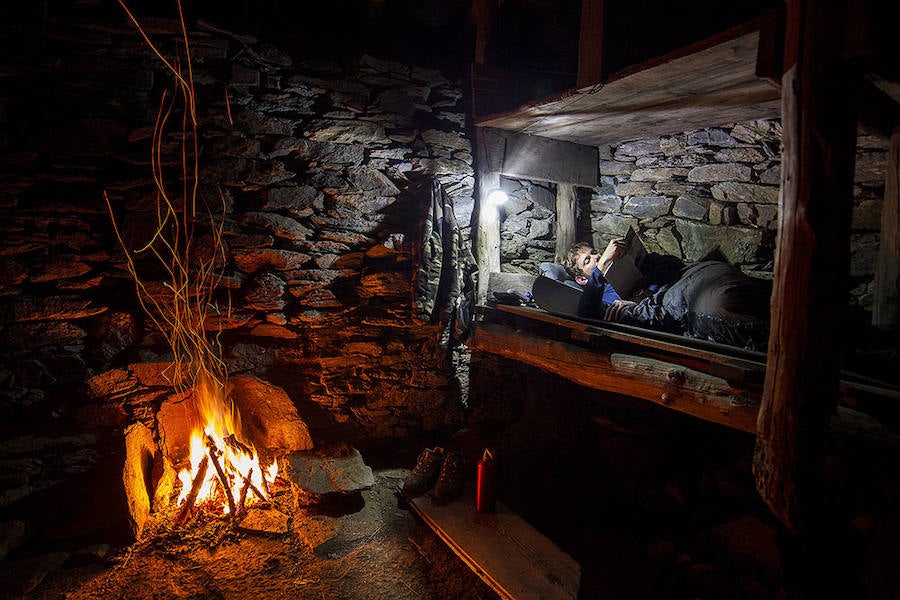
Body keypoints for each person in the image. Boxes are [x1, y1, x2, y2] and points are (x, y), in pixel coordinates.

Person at [563, 238, 770, 351]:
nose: (597, 256)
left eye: (594, 253)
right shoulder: (597, 294)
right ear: (581, 279)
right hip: (675, 299)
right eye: (588, 261)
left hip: (688, 277)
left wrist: (642, 270)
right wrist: (600, 269)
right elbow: (586, 313)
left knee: (733, 288)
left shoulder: (626, 266)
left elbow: (673, 264)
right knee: (720, 303)